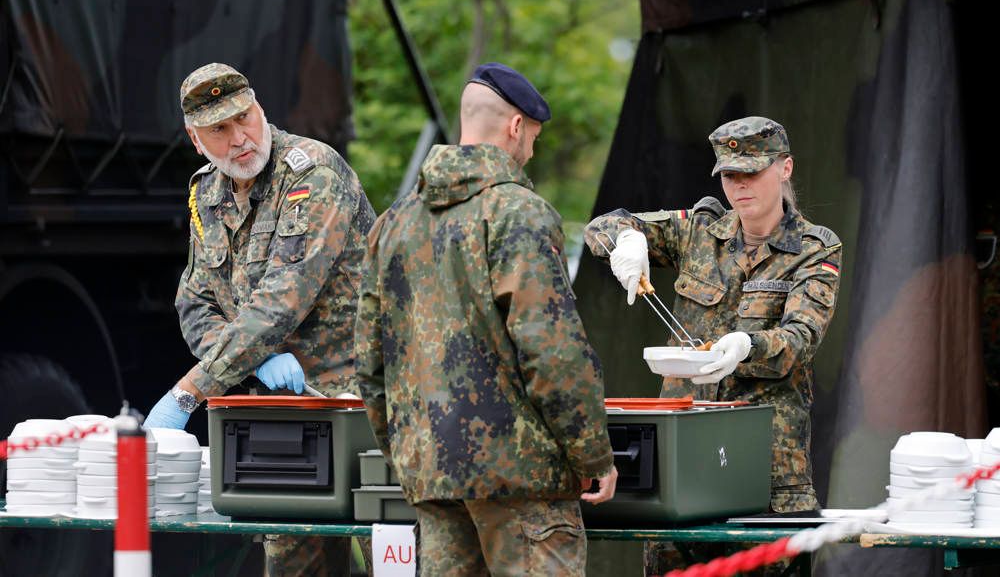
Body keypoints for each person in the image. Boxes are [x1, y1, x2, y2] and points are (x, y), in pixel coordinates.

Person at [356, 62, 618, 576]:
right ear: (516, 126)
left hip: (432, 474)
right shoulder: (518, 213)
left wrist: (407, 453)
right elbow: (552, 350)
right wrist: (593, 457)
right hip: (522, 480)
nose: (532, 151)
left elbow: (368, 362)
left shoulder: (394, 223)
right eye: (534, 137)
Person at [143, 63, 375, 576]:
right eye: (219, 130)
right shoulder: (208, 192)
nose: (240, 139)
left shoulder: (312, 173)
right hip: (283, 417)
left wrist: (188, 392)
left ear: (260, 107)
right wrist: (257, 358)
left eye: (244, 118)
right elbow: (194, 301)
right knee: (296, 563)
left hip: (360, 405)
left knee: (393, 556)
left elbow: (280, 302)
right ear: (195, 138)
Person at [585, 116, 842, 575]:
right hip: (685, 470)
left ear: (785, 168)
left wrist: (747, 344)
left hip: (768, 476)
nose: (739, 186)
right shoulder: (699, 232)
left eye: (752, 172)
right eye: (729, 174)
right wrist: (626, 239)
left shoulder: (814, 249)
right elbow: (603, 224)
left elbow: (801, 337)